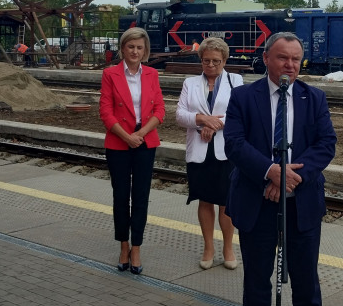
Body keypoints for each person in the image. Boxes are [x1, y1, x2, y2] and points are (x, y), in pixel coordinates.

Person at [223, 32, 337, 306]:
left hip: (301, 204)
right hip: (256, 203)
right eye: (283, 58)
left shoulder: (313, 97)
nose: (290, 65)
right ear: (267, 58)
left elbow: (325, 144)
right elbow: (235, 144)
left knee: (306, 285)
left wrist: (289, 177)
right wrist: (270, 171)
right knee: (257, 282)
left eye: (296, 59)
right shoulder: (243, 97)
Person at [99, 27, 165, 275]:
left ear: (144, 50)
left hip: (145, 142)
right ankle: (123, 245)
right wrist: (127, 136)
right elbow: (105, 111)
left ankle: (136, 246)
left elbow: (159, 109)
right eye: (131, 47)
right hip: (118, 142)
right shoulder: (110, 74)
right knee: (120, 197)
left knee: (140, 197)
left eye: (139, 47)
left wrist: (140, 134)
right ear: (123, 48)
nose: (135, 51)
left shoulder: (151, 74)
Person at [176, 37, 243, 270]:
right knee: (205, 200)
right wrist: (201, 120)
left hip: (226, 152)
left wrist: (213, 125)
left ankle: (228, 247)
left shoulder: (236, 81)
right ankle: (208, 247)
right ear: (200, 60)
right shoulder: (190, 83)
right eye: (206, 61)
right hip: (200, 150)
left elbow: (239, 114)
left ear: (224, 60)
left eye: (216, 61)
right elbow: (180, 115)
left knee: (227, 202)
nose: (211, 65)